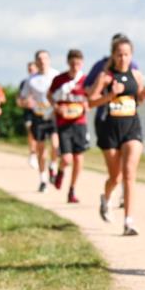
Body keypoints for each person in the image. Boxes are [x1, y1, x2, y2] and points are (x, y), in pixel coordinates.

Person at [88, 35, 145, 235]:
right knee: (115, 177)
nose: (123, 58)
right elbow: (91, 102)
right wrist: (110, 95)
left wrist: (143, 95)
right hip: (109, 128)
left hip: (131, 126)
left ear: (131, 55)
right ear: (113, 56)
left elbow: (137, 99)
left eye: (126, 54)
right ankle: (106, 199)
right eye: (119, 55)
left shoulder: (136, 75)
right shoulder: (105, 77)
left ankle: (128, 221)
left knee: (130, 173)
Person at [48, 49, 89, 203]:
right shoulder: (59, 80)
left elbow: (92, 96)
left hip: (79, 122)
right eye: (72, 63)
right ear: (68, 63)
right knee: (67, 158)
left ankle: (72, 189)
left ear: (82, 63)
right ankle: (60, 171)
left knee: (79, 158)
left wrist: (87, 104)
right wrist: (57, 107)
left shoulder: (85, 80)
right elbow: (49, 96)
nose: (75, 66)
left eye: (78, 63)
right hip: (63, 123)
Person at [18, 50, 60, 192]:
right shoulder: (31, 80)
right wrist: (26, 103)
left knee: (55, 145)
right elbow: (22, 99)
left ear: (49, 60)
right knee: (41, 151)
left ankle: (53, 166)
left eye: (45, 58)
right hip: (38, 116)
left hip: (53, 115)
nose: (42, 61)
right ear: (36, 62)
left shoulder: (57, 75)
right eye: (39, 59)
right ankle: (43, 179)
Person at [19, 61, 39, 168]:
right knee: (31, 132)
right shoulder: (24, 82)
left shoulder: (42, 80)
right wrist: (25, 103)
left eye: (33, 69)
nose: (31, 71)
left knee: (40, 136)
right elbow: (19, 100)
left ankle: (38, 154)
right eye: (29, 69)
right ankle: (32, 154)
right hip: (29, 113)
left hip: (41, 112)